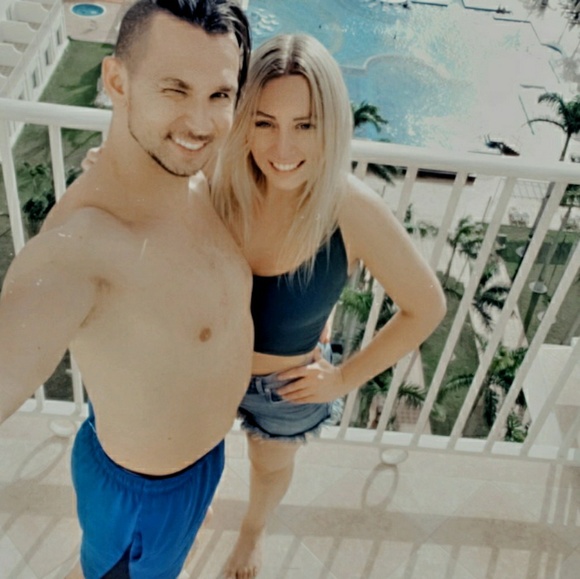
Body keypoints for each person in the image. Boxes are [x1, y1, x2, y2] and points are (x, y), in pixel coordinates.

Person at [0, 1, 253, 578]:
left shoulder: (193, 180)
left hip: (197, 467)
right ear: (117, 81)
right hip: (139, 500)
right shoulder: (81, 248)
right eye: (175, 89)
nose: (200, 123)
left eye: (219, 94)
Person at [209, 34, 447, 578]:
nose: (282, 147)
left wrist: (342, 379)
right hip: (208, 369)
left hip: (286, 388)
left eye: (305, 125)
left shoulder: (349, 208)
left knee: (269, 468)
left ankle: (252, 532)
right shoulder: (222, 182)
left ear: (332, 125)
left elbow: (426, 306)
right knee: (194, 454)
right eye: (264, 122)